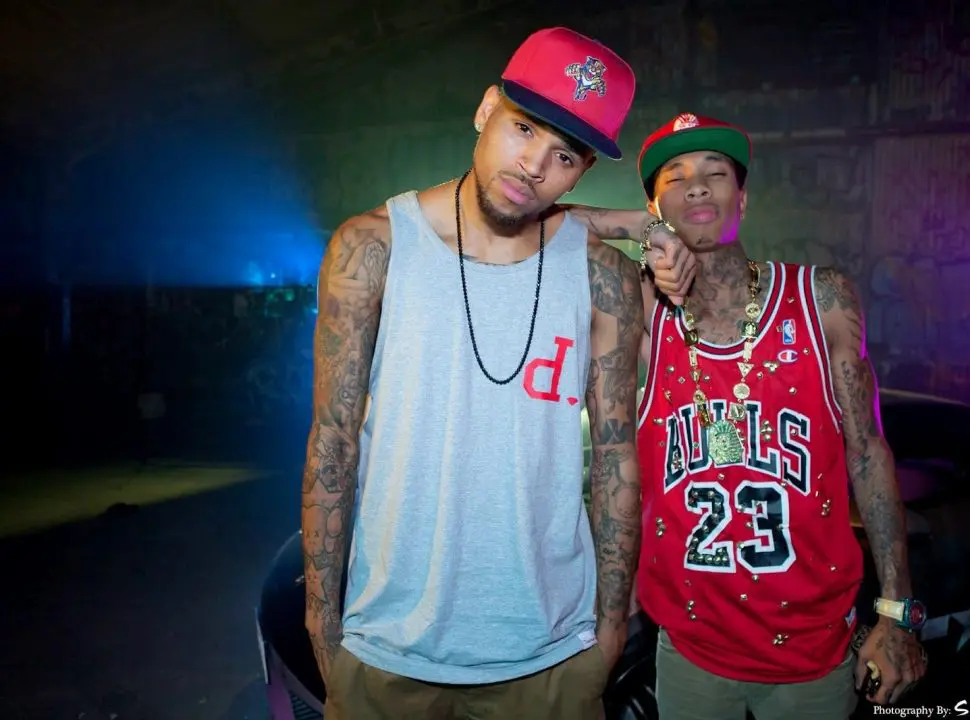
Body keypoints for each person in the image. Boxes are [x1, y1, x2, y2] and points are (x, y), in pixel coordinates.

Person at [300, 27, 693, 720]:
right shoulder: (371, 247)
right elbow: (333, 439)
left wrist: (608, 625)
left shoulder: (603, 275)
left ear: (580, 171)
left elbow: (615, 456)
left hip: (551, 652)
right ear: (486, 109)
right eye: (523, 128)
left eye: (563, 154)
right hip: (386, 646)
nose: (534, 165)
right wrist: (320, 616)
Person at [621, 112, 927, 719]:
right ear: (655, 209)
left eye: (716, 173)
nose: (697, 186)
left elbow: (868, 453)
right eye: (676, 177)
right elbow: (540, 228)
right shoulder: (638, 310)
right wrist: (632, 228)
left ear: (743, 199)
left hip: (814, 652)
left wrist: (896, 612)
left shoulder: (821, 298)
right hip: (690, 651)